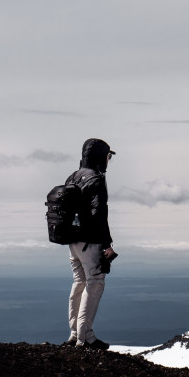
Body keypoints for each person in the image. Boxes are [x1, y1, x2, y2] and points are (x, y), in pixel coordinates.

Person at [65, 138, 117, 350]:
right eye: (108, 156)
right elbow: (99, 213)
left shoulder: (73, 176)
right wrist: (107, 244)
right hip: (90, 241)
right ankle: (85, 337)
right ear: (100, 156)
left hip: (72, 240)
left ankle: (75, 333)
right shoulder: (96, 178)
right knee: (95, 281)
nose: (109, 160)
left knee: (79, 282)